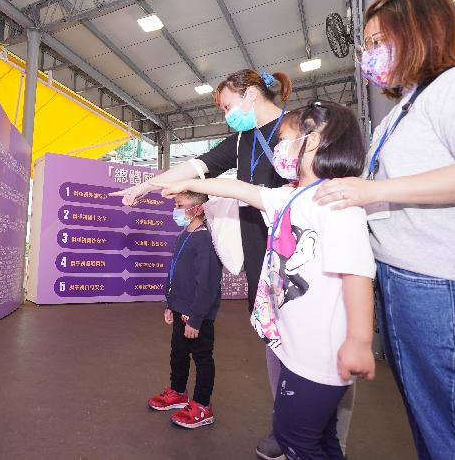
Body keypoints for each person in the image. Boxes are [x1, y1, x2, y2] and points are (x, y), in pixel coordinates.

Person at [112, 70, 356, 459]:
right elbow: (202, 166)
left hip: (303, 260)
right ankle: (288, 424)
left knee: (322, 347)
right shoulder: (243, 139)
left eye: (228, 105)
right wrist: (148, 185)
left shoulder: (297, 132)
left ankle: (322, 436)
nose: (227, 114)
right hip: (263, 261)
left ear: (252, 93)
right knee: (277, 344)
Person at [313, 0, 455, 459]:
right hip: (410, 281)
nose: (369, 56)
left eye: (378, 42)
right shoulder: (408, 106)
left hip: (447, 284)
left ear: (419, 32)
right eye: (367, 45)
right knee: (436, 425)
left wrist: (374, 191)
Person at [159, 101, 376, 458]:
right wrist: (185, 181)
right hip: (294, 345)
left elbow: (357, 274)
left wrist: (359, 340)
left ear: (317, 141)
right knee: (320, 440)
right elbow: (239, 189)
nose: (278, 150)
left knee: (297, 438)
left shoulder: (336, 202)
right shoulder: (290, 196)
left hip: (322, 351)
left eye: (286, 141)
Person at [147, 190, 222, 428]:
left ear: (198, 209)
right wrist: (170, 304)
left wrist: (196, 319)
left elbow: (207, 284)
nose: (175, 210)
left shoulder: (206, 240)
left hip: (197, 314)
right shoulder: (184, 235)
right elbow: (175, 273)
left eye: (180, 205)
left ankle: (202, 405)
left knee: (201, 357)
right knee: (178, 352)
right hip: (180, 308)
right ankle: (178, 392)